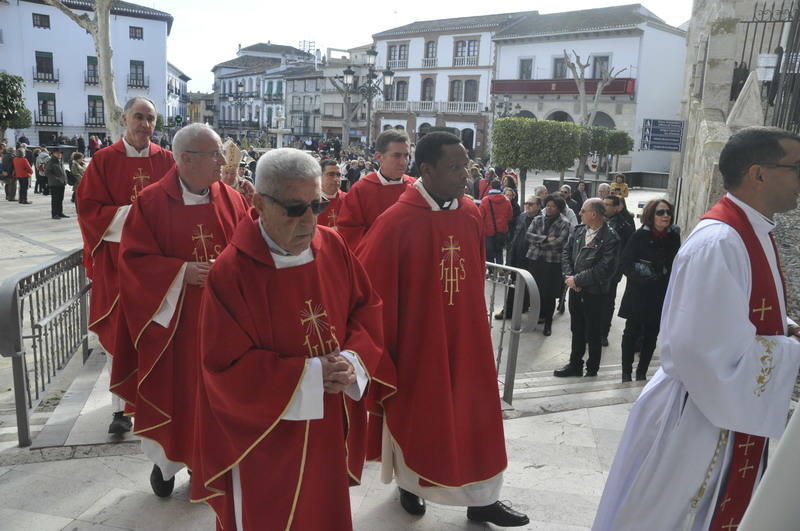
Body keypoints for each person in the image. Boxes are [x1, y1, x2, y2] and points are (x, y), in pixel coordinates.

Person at [594, 126, 800, 530]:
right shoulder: (720, 241)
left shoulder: (751, 231)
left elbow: (735, 313)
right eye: (796, 167)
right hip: (700, 419)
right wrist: (792, 353)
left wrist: (785, 329)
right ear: (758, 173)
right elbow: (699, 348)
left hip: (722, 408)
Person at [190, 148, 388, 530]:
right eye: (296, 209)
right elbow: (224, 368)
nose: (310, 221)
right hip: (264, 436)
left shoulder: (333, 247)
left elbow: (367, 309)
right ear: (259, 203)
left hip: (327, 422)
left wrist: (352, 359)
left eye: (317, 206)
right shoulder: (232, 272)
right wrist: (312, 375)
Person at [357, 132, 529, 527]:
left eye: (466, 165)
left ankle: (484, 499)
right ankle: (411, 486)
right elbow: (368, 291)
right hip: (421, 345)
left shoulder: (470, 213)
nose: (465, 175)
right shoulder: (396, 222)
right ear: (427, 170)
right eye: (455, 167)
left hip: (468, 339)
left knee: (478, 419)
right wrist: (387, 350)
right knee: (424, 419)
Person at [112, 124, 249, 498]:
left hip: (223, 322)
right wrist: (182, 271)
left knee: (215, 399)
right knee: (178, 394)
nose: (222, 162)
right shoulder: (152, 202)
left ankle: (207, 464)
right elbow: (133, 261)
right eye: (215, 154)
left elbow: (246, 248)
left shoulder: (232, 199)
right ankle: (167, 462)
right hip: (174, 325)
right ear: (186, 158)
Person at [77, 96, 174, 435]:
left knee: (156, 334)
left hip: (158, 268)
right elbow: (88, 210)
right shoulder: (103, 161)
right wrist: (136, 215)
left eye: (150, 119)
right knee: (119, 336)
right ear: (124, 118)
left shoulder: (168, 161)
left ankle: (156, 402)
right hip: (117, 264)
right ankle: (119, 410)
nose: (145, 125)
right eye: (139, 117)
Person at [554, 198, 619, 377]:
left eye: (583, 211)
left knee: (593, 331)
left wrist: (578, 280)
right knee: (577, 329)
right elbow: (566, 253)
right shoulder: (578, 231)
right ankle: (575, 365)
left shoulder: (610, 237)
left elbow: (604, 269)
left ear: (593, 214)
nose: (580, 213)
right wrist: (569, 278)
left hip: (594, 293)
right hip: (575, 289)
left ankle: (592, 368)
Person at [617, 199, 680, 382]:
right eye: (660, 212)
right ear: (651, 215)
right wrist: (642, 276)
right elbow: (625, 264)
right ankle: (626, 372)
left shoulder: (673, 237)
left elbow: (677, 264)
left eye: (668, 212)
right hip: (638, 293)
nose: (665, 216)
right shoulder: (639, 236)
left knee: (652, 335)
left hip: (660, 294)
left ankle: (642, 372)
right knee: (631, 333)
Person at [337, 129, 414, 248]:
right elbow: (349, 232)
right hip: (376, 259)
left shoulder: (415, 188)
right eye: (397, 155)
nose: (403, 162)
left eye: (406, 155)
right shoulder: (360, 190)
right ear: (379, 157)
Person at [526, 195, 571, 336]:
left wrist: (538, 243)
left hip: (551, 262)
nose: (549, 208)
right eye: (548, 205)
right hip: (534, 260)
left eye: (553, 206)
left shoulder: (564, 222)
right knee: (535, 291)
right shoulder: (538, 219)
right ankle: (536, 318)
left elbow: (559, 242)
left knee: (549, 293)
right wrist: (545, 239)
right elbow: (528, 235)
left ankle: (548, 323)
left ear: (559, 208)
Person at [495, 196, 541, 320]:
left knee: (530, 285)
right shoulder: (522, 216)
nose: (528, 205)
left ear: (538, 205)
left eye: (531, 204)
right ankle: (508, 310)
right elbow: (514, 237)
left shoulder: (541, 220)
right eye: (526, 203)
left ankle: (526, 307)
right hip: (518, 256)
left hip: (533, 258)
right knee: (514, 285)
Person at [601, 194, 635, 347]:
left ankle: (603, 333)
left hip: (612, 272)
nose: (605, 207)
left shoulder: (624, 225)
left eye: (608, 204)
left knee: (607, 302)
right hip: (594, 269)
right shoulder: (596, 220)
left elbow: (628, 249)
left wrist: (620, 268)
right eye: (604, 204)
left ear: (617, 207)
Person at [479, 179, 513, 264]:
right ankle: (500, 271)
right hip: (501, 232)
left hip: (488, 232)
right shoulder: (506, 201)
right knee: (499, 252)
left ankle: (491, 272)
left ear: (491, 187)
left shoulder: (485, 200)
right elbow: (509, 217)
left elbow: (480, 216)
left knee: (489, 253)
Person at [220, 140, 255, 205]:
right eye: (226, 173)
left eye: (233, 173)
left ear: (237, 172)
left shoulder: (246, 187)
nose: (229, 176)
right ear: (221, 172)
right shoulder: (214, 186)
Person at [318, 160, 347, 229]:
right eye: (331, 174)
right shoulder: (310, 200)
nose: (336, 179)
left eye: (339, 175)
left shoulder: (349, 199)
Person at [45, 148, 68, 219]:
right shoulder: (51, 161)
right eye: (58, 153)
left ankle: (60, 213)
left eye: (60, 153)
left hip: (62, 183)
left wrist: (65, 179)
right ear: (53, 154)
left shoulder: (60, 161)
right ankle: (54, 214)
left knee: (60, 199)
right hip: (54, 184)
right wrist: (57, 179)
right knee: (55, 199)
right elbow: (47, 173)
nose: (59, 154)